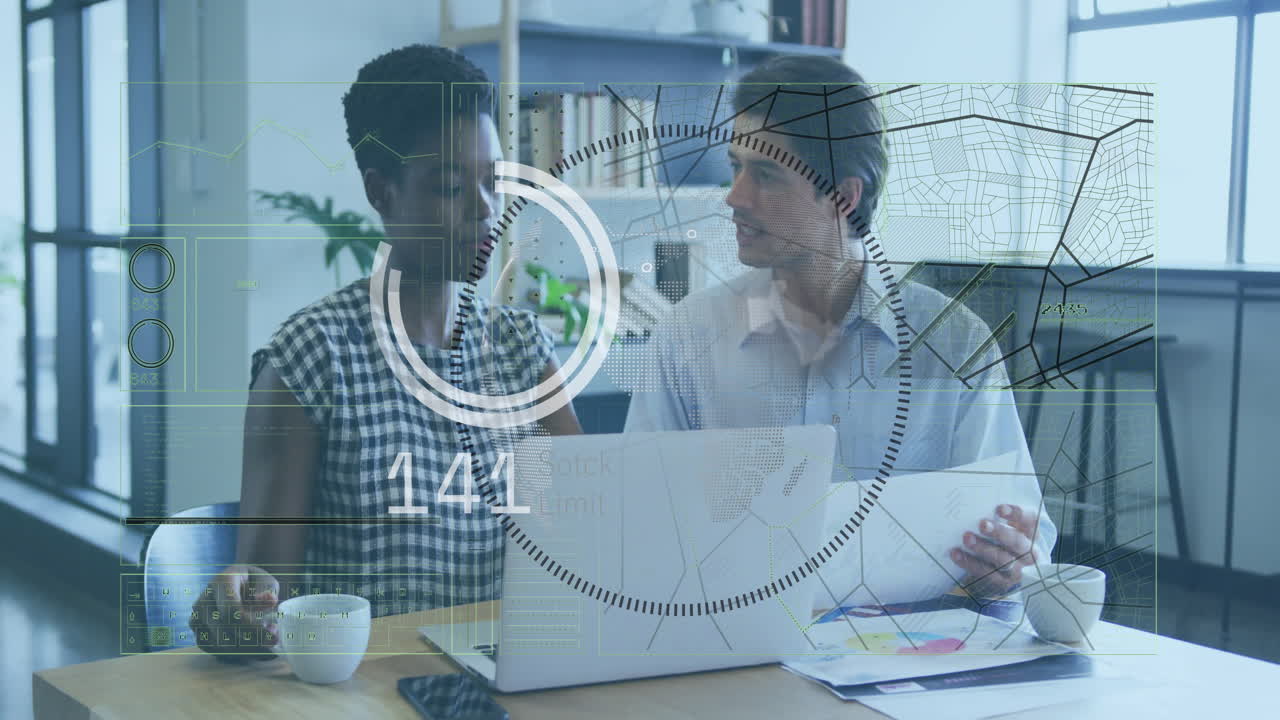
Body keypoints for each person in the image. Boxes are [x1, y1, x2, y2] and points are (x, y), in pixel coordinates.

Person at [189, 44, 581, 657]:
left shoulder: (521, 348)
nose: (484, 211)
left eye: (493, 183)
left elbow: (595, 532)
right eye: (450, 187)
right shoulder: (310, 360)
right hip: (371, 693)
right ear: (382, 192)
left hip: (517, 678)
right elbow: (265, 596)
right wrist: (240, 607)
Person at [624, 55, 1056, 606]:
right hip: (730, 648)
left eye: (766, 174)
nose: (734, 196)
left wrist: (1010, 560)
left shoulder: (954, 345)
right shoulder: (687, 337)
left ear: (843, 199)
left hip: (906, 663)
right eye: (735, 166)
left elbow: (1024, 534)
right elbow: (637, 516)